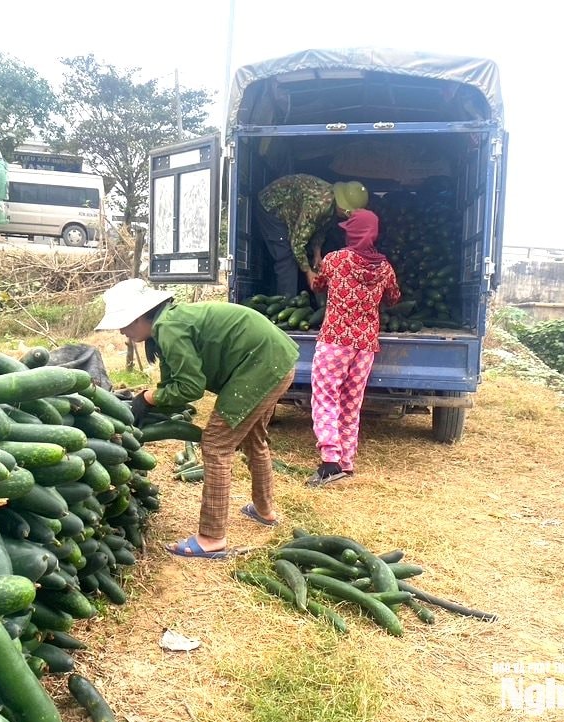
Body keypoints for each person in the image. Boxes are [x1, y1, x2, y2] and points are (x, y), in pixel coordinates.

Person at [96, 278, 299, 558]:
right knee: (255, 440)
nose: (122, 331)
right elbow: (174, 385)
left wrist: (147, 399)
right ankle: (265, 511)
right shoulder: (169, 322)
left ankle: (212, 538)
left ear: (142, 315)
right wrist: (148, 404)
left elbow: (190, 388)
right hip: (275, 360)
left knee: (216, 445)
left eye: (125, 323)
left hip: (260, 365)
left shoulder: (169, 328)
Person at [305, 209, 401, 486]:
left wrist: (314, 264)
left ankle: (330, 462)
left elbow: (319, 286)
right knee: (350, 403)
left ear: (352, 232)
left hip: (335, 340)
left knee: (325, 397)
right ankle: (346, 462)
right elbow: (394, 298)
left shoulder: (335, 260)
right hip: (366, 345)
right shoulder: (384, 267)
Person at [255, 175, 370, 296]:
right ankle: (285, 304)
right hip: (271, 207)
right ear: (343, 207)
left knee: (304, 257)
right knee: (286, 259)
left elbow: (320, 228)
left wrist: (317, 253)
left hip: (292, 211)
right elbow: (297, 242)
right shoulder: (318, 205)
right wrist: (308, 272)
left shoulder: (332, 204)